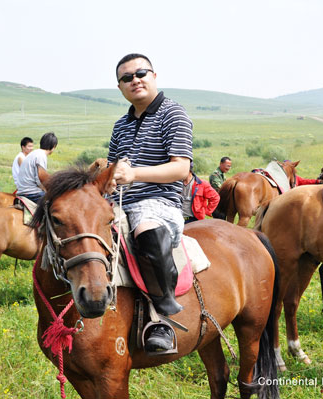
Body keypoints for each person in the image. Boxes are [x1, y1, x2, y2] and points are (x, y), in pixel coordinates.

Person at [108, 53, 192, 353]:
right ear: (120, 87)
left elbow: (181, 168)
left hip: (158, 201)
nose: (135, 80)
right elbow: (113, 171)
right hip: (118, 202)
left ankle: (162, 316)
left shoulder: (174, 114)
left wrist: (134, 174)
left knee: (145, 228)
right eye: (127, 78)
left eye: (141, 73)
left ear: (154, 76)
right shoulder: (120, 126)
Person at [16, 132, 57, 203]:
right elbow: (39, 179)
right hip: (32, 193)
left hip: (22, 190)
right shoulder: (41, 156)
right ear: (53, 146)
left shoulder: (35, 153)